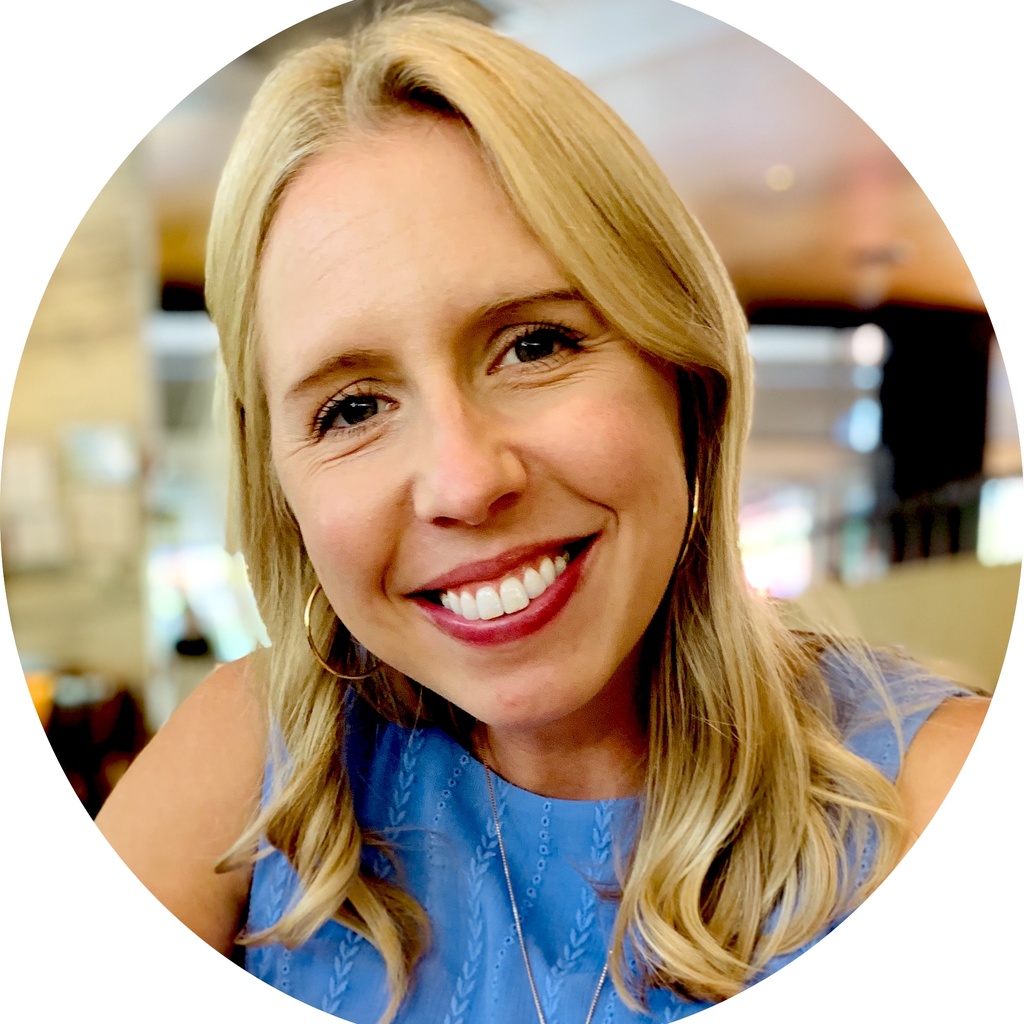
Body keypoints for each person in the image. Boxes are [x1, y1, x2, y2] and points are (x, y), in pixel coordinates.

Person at [96, 10, 988, 1024]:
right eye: (351, 407)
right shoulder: (256, 767)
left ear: (681, 373)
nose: (465, 481)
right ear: (282, 490)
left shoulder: (935, 796)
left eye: (534, 345)